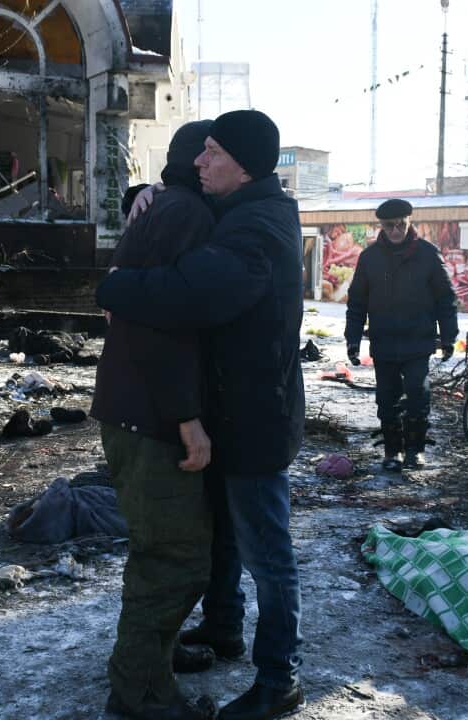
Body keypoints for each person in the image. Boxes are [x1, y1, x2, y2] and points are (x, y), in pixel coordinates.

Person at [97, 109, 306, 720]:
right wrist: (147, 194)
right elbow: (179, 206)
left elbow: (188, 291)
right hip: (230, 415)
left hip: (254, 422)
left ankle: (279, 679)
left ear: (243, 166)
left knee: (268, 555)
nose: (199, 162)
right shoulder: (240, 210)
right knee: (223, 542)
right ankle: (222, 630)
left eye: (212, 152)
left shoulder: (255, 231)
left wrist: (113, 286)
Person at [89, 122, 218, 720]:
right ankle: (137, 689)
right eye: (217, 152)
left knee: (165, 552)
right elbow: (154, 326)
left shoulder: (164, 207)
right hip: (149, 415)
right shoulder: (185, 214)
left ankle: (151, 660)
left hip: (133, 408)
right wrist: (186, 419)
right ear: (199, 162)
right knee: (173, 557)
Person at [345, 199, 459, 471]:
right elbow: (357, 301)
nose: (396, 230)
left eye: (401, 224)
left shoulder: (428, 254)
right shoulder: (369, 257)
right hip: (384, 341)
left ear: (409, 222)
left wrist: (449, 336)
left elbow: (446, 298)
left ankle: (415, 451)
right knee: (386, 399)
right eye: (389, 225)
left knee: (418, 396)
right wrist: (352, 338)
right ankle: (392, 452)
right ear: (380, 226)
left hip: (418, 340)